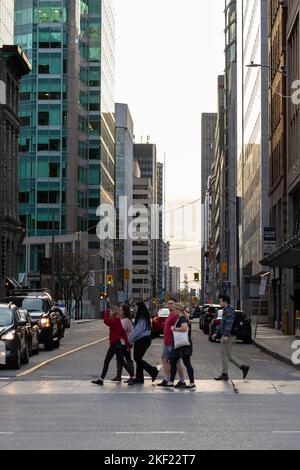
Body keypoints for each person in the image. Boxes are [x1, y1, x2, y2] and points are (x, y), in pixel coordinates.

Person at [92, 306, 135, 386]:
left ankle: (132, 376)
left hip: (116, 345)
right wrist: (127, 344)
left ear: (114, 312)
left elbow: (106, 321)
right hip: (113, 344)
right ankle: (101, 379)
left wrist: (105, 312)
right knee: (107, 361)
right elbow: (123, 333)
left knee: (121, 362)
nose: (110, 312)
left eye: (111, 311)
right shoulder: (117, 320)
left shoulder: (115, 320)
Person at [213, 295, 250, 381]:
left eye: (220, 301)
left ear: (225, 302)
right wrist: (216, 333)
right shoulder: (225, 310)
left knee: (224, 355)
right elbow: (222, 324)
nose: (219, 303)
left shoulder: (229, 311)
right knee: (228, 355)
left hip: (229, 336)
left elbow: (229, 324)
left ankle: (224, 374)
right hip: (228, 336)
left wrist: (225, 335)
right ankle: (243, 367)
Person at [166, 304, 196, 390]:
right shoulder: (182, 317)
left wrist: (174, 329)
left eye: (174, 309)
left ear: (178, 310)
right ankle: (171, 381)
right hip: (181, 344)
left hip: (183, 344)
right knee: (173, 360)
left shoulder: (182, 318)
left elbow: (185, 328)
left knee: (186, 363)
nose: (173, 311)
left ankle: (192, 383)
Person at [129, 301, 159, 385]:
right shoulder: (143, 316)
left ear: (139, 308)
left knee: (137, 359)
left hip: (143, 340)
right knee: (138, 359)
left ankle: (153, 371)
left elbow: (138, 331)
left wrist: (129, 340)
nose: (134, 309)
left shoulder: (142, 317)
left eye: (135, 307)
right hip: (143, 340)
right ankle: (140, 378)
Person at [157, 299, 185, 388]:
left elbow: (182, 325)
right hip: (167, 342)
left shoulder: (176, 314)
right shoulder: (170, 314)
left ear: (175, 305)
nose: (170, 305)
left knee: (177, 362)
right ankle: (167, 379)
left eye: (172, 304)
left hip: (173, 343)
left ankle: (182, 381)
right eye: (168, 303)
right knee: (164, 359)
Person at [111, 305, 134, 382]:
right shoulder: (123, 319)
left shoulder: (126, 320)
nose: (119, 311)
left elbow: (120, 330)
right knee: (120, 358)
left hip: (126, 343)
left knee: (126, 359)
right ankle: (119, 376)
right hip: (123, 342)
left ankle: (132, 376)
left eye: (121, 310)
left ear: (124, 311)